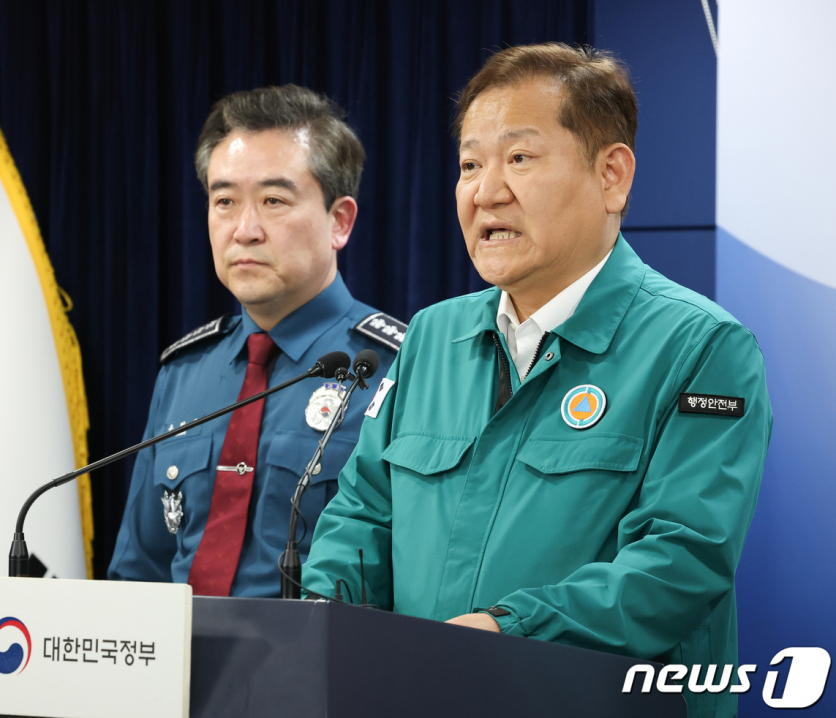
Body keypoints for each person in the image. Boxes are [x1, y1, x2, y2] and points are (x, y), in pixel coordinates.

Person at [303, 44, 770, 718]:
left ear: (612, 176)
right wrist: (328, 622)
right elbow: (362, 513)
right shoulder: (431, 335)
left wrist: (508, 632)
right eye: (470, 165)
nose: (486, 191)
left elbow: (680, 562)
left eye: (519, 158)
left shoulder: (701, 348)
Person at [108, 85, 404, 598]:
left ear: (339, 221)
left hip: (321, 649)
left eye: (273, 201)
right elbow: (141, 570)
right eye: (224, 201)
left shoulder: (399, 368)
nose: (244, 230)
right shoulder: (184, 372)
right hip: (179, 648)